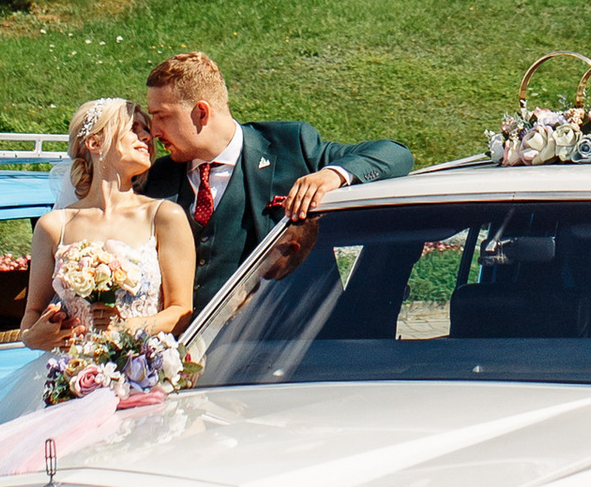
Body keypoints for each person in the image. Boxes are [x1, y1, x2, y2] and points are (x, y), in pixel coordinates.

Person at [136, 51, 412, 313]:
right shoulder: (156, 179)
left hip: (284, 344)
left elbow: (395, 154)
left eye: (162, 116)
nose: (155, 131)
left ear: (202, 113)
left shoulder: (290, 147)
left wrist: (333, 175)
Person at [23, 96, 197, 353]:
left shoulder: (164, 216)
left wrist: (128, 326)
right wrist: (34, 336)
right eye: (133, 129)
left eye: (146, 130)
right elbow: (32, 313)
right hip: (72, 373)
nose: (148, 137)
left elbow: (181, 310)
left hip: (141, 370)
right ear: (95, 142)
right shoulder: (53, 226)